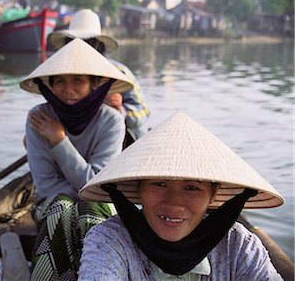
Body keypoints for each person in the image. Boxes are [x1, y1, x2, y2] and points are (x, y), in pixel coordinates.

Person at [78, 111, 284, 280]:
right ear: (138, 188)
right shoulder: (110, 239)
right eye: (159, 184)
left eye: (192, 188)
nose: (174, 203)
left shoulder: (239, 245)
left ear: (214, 194)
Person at [20, 38, 134, 280]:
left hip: (98, 202)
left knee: (89, 209)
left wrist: (59, 140)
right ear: (49, 86)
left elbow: (98, 184)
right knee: (61, 208)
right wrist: (77, 195)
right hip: (51, 203)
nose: (67, 89)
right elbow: (46, 185)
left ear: (93, 85)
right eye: (59, 81)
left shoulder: (111, 121)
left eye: (77, 81)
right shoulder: (39, 117)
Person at [48, 9, 150, 143]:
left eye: (87, 43)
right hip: (79, 143)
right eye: (75, 43)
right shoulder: (59, 75)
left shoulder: (119, 72)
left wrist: (121, 110)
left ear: (98, 45)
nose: (82, 49)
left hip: (123, 143)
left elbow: (143, 113)